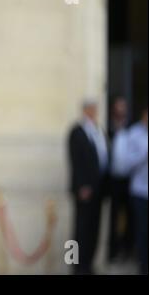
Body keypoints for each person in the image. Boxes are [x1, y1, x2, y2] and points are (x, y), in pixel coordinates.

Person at [68, 99, 109, 274]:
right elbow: (75, 162)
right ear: (85, 111)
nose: (94, 112)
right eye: (92, 109)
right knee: (81, 230)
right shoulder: (76, 132)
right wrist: (81, 186)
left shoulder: (98, 130)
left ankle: (89, 264)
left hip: (99, 189)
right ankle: (78, 266)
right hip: (84, 191)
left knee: (94, 229)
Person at [107, 96, 133, 263]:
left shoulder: (131, 128)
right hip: (113, 180)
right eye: (118, 106)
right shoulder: (108, 128)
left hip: (130, 180)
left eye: (123, 107)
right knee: (113, 215)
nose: (121, 110)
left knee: (130, 215)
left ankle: (128, 249)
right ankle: (113, 250)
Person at [125, 106, 148, 274]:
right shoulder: (134, 133)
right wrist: (144, 155)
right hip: (140, 191)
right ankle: (143, 264)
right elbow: (126, 162)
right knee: (142, 229)